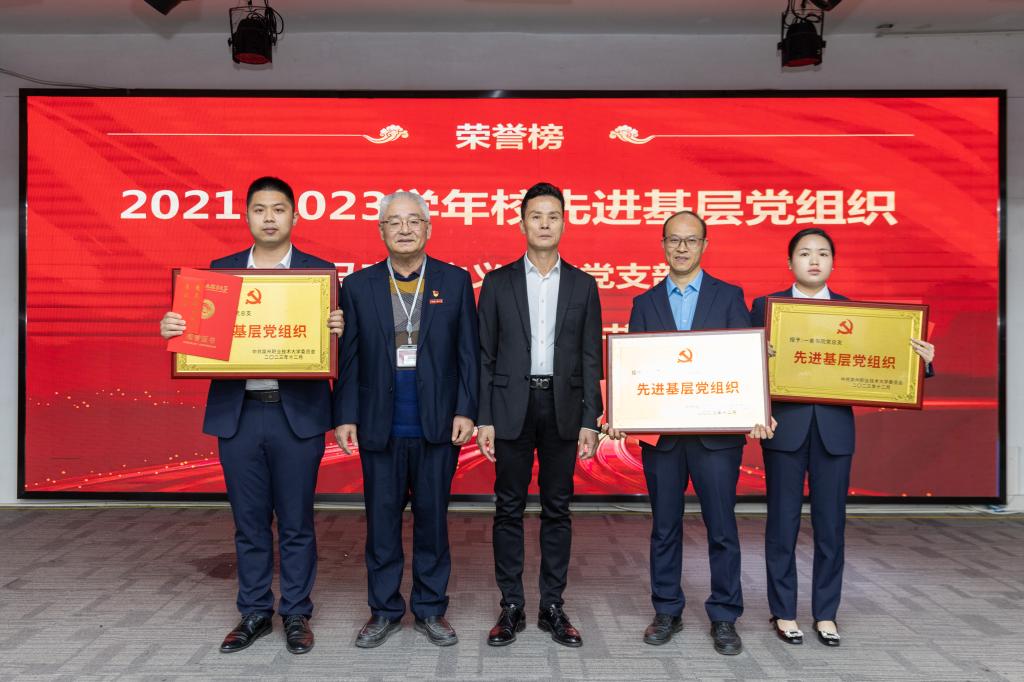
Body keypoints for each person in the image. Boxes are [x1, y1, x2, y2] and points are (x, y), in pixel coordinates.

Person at [159, 176, 343, 655]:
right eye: (260, 210)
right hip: (238, 415)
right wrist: (176, 328)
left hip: (296, 415)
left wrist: (338, 329)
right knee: (249, 522)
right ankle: (255, 611)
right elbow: (197, 340)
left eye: (278, 209)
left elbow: (338, 351)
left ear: (294, 216)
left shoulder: (319, 276)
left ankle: (296, 612)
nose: (269, 218)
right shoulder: (219, 275)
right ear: (246, 216)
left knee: (297, 521)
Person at [749, 227, 935, 647]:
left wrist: (920, 363)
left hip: (834, 433)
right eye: (804, 253)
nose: (814, 260)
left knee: (831, 527)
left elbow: (881, 362)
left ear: (833, 263)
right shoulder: (765, 307)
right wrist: (759, 358)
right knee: (782, 526)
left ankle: (826, 614)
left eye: (823, 253)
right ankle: (783, 611)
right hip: (784, 430)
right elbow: (741, 362)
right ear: (790, 262)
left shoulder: (855, 312)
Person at [604, 210, 774, 656]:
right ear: (663, 245)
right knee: (665, 526)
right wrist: (623, 411)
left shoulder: (729, 296)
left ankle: (725, 615)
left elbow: (743, 363)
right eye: (674, 240)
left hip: (717, 438)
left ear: (704, 245)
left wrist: (755, 408)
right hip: (663, 439)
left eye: (691, 240)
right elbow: (634, 370)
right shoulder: (644, 303)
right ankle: (667, 609)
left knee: (722, 527)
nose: (682, 248)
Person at [331, 190, 479, 648]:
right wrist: (345, 414)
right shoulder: (358, 286)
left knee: (433, 523)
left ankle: (431, 609)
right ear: (381, 231)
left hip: (437, 424)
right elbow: (349, 357)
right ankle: (384, 610)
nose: (405, 229)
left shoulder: (455, 281)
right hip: (380, 424)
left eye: (414, 221)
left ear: (428, 228)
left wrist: (466, 409)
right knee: (381, 525)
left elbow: (468, 354)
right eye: (394, 222)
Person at [476, 182, 603, 648]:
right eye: (536, 216)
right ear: (522, 222)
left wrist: (591, 419)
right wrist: (484, 417)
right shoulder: (498, 282)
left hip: (563, 407)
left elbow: (591, 356)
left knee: (558, 508)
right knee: (508, 508)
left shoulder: (583, 284)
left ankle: (552, 606)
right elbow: (485, 355)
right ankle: (511, 605)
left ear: (564, 222)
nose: (545, 224)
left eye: (553, 216)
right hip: (511, 406)